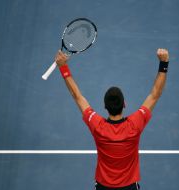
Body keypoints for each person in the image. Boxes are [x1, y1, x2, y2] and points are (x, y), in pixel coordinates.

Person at [55, 48, 169, 190]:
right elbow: (155, 94)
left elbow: (77, 96)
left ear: (105, 106)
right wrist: (164, 63)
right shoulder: (135, 124)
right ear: (124, 104)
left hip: (103, 187)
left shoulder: (97, 126)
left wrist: (63, 67)